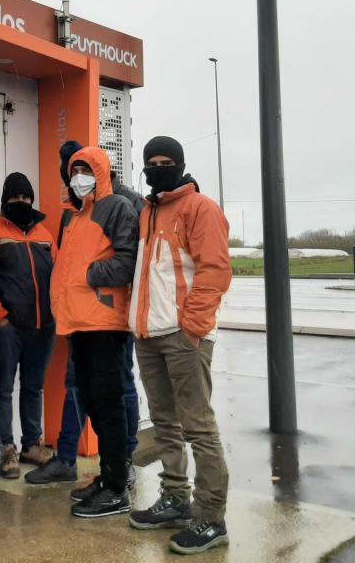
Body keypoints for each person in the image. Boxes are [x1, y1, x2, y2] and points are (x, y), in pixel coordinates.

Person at [127, 136, 232, 556]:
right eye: (151, 162)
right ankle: (175, 498)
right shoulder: (148, 211)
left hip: (183, 336)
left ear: (181, 165)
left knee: (198, 427)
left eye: (166, 161)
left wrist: (192, 327)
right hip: (148, 335)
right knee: (165, 423)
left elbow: (216, 270)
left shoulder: (200, 208)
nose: (157, 167)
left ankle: (211, 517)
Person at [26, 142, 141, 494]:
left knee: (110, 403)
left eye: (84, 171)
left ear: (101, 172)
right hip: (79, 323)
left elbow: (126, 260)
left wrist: (87, 275)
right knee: (92, 400)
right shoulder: (77, 214)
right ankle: (105, 476)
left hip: (104, 323)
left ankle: (117, 482)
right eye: (73, 172)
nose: (78, 178)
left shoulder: (118, 206)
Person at [0, 172, 57, 479]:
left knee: (33, 387)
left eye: (26, 197)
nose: (21, 202)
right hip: (8, 328)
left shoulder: (46, 234)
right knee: (2, 388)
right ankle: (6, 449)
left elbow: (58, 277)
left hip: (43, 326)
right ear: (4, 200)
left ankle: (31, 445)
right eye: (15, 198)